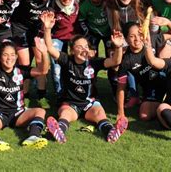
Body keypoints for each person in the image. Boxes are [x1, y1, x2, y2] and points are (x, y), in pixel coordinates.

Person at [41, 12, 128, 144]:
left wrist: (119, 46)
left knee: (100, 114)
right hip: (70, 103)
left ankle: (112, 132)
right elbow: (50, 48)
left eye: (86, 47)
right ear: (72, 50)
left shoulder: (94, 63)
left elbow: (116, 61)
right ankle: (59, 132)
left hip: (90, 103)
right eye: (79, 47)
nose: (84, 50)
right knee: (65, 114)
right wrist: (47, 29)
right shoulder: (66, 60)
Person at [0, 37, 51, 152]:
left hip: (18, 113)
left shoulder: (21, 70)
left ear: (17, 57)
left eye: (13, 54)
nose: (9, 58)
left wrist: (44, 53)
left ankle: (33, 137)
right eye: (5, 55)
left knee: (40, 111)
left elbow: (43, 71)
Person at [116, 19, 171, 122]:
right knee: (145, 116)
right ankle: (166, 104)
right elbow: (121, 89)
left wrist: (168, 23)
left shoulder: (151, 40)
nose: (137, 39)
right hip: (151, 88)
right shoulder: (126, 60)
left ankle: (170, 101)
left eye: (139, 34)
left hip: (168, 78)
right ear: (126, 40)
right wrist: (121, 113)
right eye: (132, 36)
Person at [9, 0, 57, 107]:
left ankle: (41, 94)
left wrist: (47, 19)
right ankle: (24, 93)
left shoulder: (51, 1)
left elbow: (51, 14)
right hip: (20, 28)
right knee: (24, 62)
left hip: (35, 29)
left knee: (41, 59)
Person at [49, 0, 80, 95]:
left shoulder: (77, 4)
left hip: (74, 38)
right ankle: (59, 93)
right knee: (56, 66)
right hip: (58, 38)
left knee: (74, 64)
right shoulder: (53, 7)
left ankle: (75, 90)